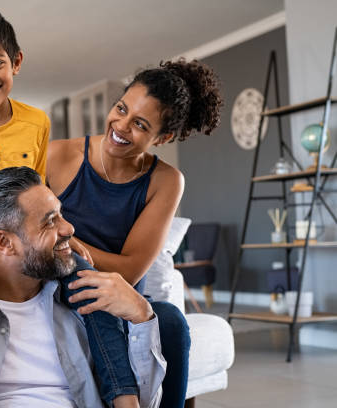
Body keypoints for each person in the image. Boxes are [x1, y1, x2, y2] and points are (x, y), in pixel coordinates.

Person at [0, 6, 139, 406]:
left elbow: (39, 188)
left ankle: (123, 394)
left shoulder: (37, 121)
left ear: (16, 62)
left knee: (89, 280)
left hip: (25, 229)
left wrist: (57, 231)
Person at [0, 166, 166, 408]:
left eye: (61, 215)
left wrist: (142, 315)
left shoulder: (85, 298)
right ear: (4, 242)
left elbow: (145, 403)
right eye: (50, 221)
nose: (69, 229)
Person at [47, 59, 224, 408]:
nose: (121, 126)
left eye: (140, 124)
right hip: (63, 288)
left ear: (163, 137)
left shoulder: (166, 180)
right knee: (86, 289)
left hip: (125, 299)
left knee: (171, 320)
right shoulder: (57, 155)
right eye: (121, 108)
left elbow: (129, 270)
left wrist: (70, 243)